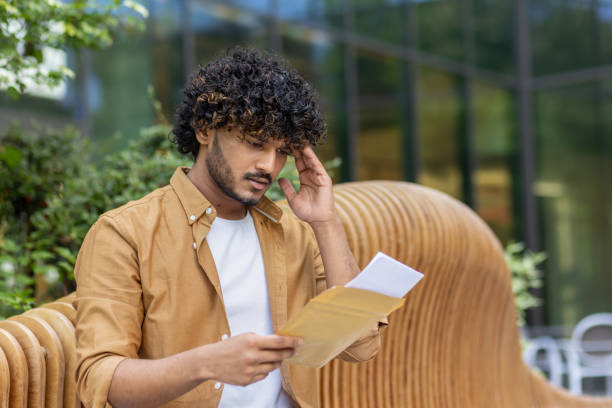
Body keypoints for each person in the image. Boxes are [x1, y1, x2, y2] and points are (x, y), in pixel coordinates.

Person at [74, 48, 387, 408]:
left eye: (283, 151)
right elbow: (99, 379)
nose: (269, 166)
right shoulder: (126, 234)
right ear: (205, 129)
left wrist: (326, 222)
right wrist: (206, 364)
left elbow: (362, 345)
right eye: (255, 143)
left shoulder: (295, 232)